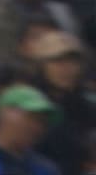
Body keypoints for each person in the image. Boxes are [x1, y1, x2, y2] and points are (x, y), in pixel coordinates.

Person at [28, 30, 93, 175]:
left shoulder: (84, 107)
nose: (67, 69)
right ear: (41, 66)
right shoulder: (28, 103)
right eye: (57, 61)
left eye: (73, 62)